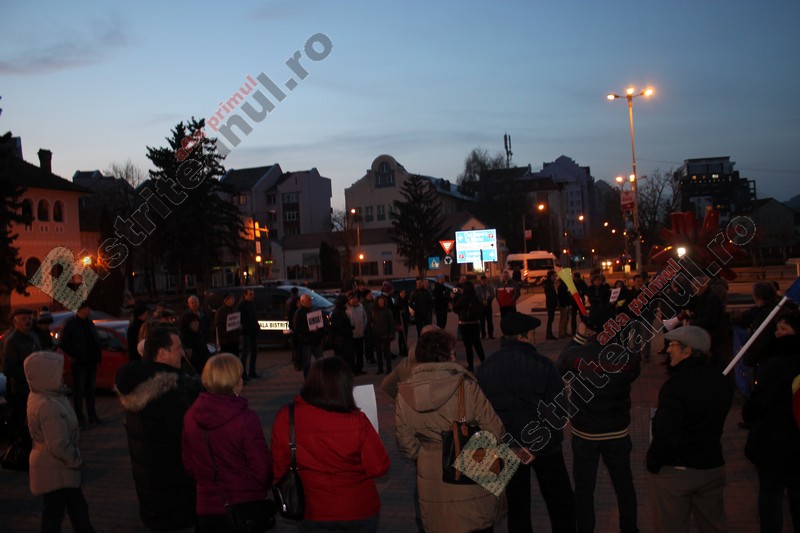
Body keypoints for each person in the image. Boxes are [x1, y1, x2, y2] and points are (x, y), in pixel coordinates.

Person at [395, 329, 506, 533]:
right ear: (446, 355)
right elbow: (495, 430)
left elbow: (406, 444)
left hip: (431, 478)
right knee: (476, 524)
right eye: (452, 352)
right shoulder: (466, 387)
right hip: (470, 473)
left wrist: (428, 453)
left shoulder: (405, 393)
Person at [476, 312, 576, 533]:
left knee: (517, 506)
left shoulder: (485, 368)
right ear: (524, 336)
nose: (534, 337)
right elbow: (558, 410)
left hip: (506, 447)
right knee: (560, 502)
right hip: (544, 447)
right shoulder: (544, 365)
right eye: (532, 333)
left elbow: (481, 413)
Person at [271, 357, 390, 531]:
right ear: (345, 386)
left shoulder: (287, 417)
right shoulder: (358, 421)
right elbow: (379, 468)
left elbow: (279, 467)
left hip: (312, 509)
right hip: (357, 508)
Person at [557, 305, 641, 533]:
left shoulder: (577, 356)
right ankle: (629, 528)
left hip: (585, 433)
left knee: (584, 490)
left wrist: (578, 336)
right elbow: (634, 367)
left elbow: (561, 364)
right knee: (624, 486)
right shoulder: (626, 358)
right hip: (617, 431)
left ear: (591, 328)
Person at [647, 326, 733, 533]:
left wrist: (654, 461)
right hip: (711, 465)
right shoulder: (721, 382)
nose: (668, 350)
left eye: (673, 345)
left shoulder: (676, 386)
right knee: (713, 524)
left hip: (677, 471)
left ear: (688, 350)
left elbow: (666, 432)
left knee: (670, 525)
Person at [115, 325, 201, 531]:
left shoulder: (137, 382)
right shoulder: (169, 393)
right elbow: (191, 439)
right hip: (174, 493)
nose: (183, 352)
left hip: (152, 490)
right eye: (178, 348)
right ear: (162, 353)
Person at [182, 353, 273, 533]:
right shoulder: (246, 419)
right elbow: (262, 468)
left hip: (207, 505)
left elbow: (189, 464)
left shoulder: (191, 415)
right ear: (235, 382)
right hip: (244, 505)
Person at [24, 350, 95, 533]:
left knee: (70, 510)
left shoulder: (48, 395)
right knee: (60, 513)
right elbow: (57, 444)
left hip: (55, 467)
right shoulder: (48, 405)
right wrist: (76, 460)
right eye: (58, 370)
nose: (63, 373)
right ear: (46, 373)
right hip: (55, 467)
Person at [742, 310, 800, 532]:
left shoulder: (776, 366)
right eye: (777, 328)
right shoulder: (774, 362)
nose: (778, 333)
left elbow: (756, 405)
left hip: (774, 446)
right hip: (784, 445)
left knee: (771, 499)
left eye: (783, 328)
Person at [59, 302, 103, 428]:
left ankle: (92, 415)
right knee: (79, 391)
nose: (89, 311)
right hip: (79, 363)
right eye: (87, 308)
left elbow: (95, 340)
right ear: (82, 310)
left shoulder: (89, 323)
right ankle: (79, 417)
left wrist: (97, 355)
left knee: (91, 390)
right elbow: (63, 342)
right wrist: (75, 354)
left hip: (90, 361)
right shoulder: (72, 324)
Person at [3, 308, 43, 434]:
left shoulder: (33, 336)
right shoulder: (12, 341)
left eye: (30, 318)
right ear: (15, 322)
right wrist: (28, 376)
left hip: (36, 386)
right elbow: (8, 367)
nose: (28, 321)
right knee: (24, 419)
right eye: (24, 319)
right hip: (21, 388)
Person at [452, 280, 486, 372]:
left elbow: (455, 308)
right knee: (477, 344)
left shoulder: (462, 298)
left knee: (468, 346)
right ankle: (484, 362)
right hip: (475, 323)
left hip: (464, 324)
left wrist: (454, 298)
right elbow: (481, 308)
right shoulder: (475, 298)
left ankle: (470, 365)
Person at [293, 293, 325, 373]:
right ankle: (308, 378)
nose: (310, 302)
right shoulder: (299, 313)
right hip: (306, 341)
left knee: (321, 361)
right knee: (307, 363)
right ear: (302, 302)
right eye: (308, 300)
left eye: (310, 300)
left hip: (315, 340)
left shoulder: (313, 310)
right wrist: (309, 330)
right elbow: (297, 328)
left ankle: (321, 376)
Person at [238, 288, 260, 379]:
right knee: (245, 353)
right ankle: (243, 374)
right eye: (250, 294)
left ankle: (252, 371)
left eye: (253, 294)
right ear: (245, 295)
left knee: (254, 351)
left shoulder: (251, 304)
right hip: (246, 332)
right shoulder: (241, 305)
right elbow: (240, 319)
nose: (252, 296)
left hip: (253, 331)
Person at [331, 293, 356, 371]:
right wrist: (348, 330)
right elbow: (339, 327)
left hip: (344, 340)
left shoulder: (340, 311)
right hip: (343, 341)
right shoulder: (338, 313)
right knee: (344, 360)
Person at [372, 295, 395, 375]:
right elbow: (372, 322)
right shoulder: (374, 311)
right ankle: (380, 368)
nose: (381, 303)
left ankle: (389, 368)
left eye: (383, 301)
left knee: (387, 353)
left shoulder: (388, 311)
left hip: (386, 335)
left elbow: (391, 323)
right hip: (377, 335)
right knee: (378, 353)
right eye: (380, 301)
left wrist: (391, 334)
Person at [346, 291, 368, 375]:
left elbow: (365, 317)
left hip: (360, 333)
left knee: (360, 353)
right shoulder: (347, 309)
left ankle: (359, 368)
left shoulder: (360, 306)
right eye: (352, 299)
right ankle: (353, 369)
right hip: (352, 335)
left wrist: (363, 327)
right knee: (352, 354)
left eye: (355, 298)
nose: (354, 300)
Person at [214, 293, 241, 361]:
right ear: (226, 300)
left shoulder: (234, 309)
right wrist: (226, 331)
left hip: (234, 340)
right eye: (232, 298)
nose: (233, 300)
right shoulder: (220, 311)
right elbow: (218, 325)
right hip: (226, 341)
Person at [475, 275, 496, 340]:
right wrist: (482, 301)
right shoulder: (478, 288)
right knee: (482, 321)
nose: (484, 281)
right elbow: (476, 296)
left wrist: (488, 300)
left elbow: (492, 295)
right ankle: (483, 335)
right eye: (482, 280)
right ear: (480, 281)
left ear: (486, 280)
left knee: (489, 321)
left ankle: (490, 335)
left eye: (485, 280)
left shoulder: (489, 287)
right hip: (481, 307)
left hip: (488, 306)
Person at [543, 270, 559, 340]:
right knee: (550, 320)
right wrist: (555, 301)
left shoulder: (550, 284)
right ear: (551, 276)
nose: (555, 278)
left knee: (551, 320)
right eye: (554, 276)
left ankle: (549, 334)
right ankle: (549, 334)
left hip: (551, 304)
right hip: (550, 304)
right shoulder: (548, 285)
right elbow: (550, 295)